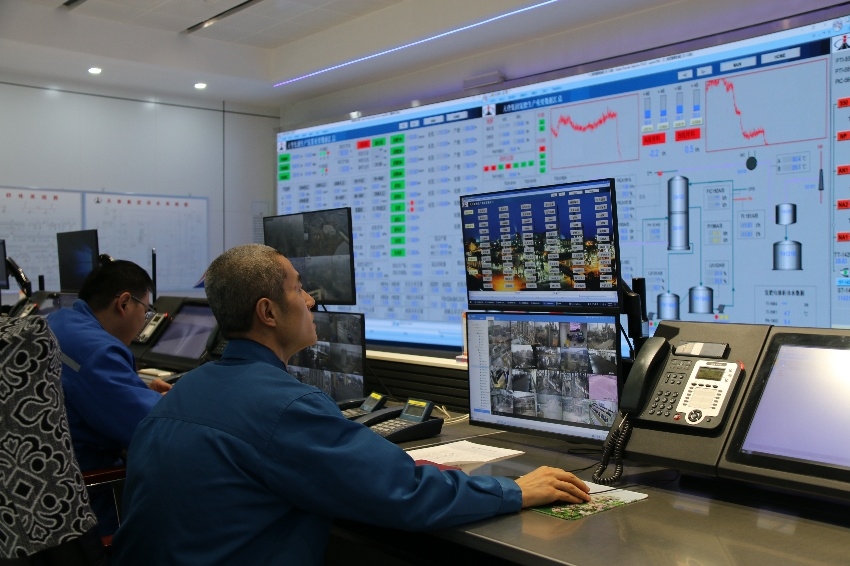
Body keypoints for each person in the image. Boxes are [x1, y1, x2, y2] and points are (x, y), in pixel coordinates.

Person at [112, 244, 591, 565]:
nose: (310, 300)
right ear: (268, 312)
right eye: (298, 288)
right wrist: (515, 490)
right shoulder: (286, 407)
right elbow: (403, 492)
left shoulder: (187, 390)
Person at [47, 258, 171, 532]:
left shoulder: (59, 321)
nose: (145, 321)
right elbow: (152, 429)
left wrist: (138, 390)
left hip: (49, 481)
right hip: (86, 498)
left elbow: (94, 392)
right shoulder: (99, 353)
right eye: (146, 311)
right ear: (124, 303)